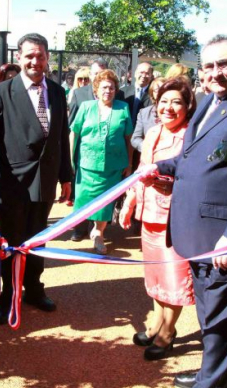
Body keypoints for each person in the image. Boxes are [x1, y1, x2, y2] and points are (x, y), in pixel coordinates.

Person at [137, 34, 227, 388]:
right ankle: (214, 378)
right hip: (197, 237)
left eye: (223, 64)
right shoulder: (209, 101)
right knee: (211, 317)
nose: (215, 73)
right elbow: (193, 157)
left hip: (226, 242)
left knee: (223, 321)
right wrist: (160, 166)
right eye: (209, 66)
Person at [0, 33, 72, 325]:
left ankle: (34, 289)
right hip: (10, 183)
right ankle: (8, 295)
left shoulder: (58, 93)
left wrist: (66, 176)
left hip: (44, 181)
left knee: (37, 240)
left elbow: (61, 138)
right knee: (9, 242)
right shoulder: (1, 92)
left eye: (41, 56)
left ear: (47, 58)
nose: (36, 61)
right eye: (30, 56)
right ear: (19, 58)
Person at [119, 78, 196, 360]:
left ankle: (168, 332)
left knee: (174, 275)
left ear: (188, 106)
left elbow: (189, 176)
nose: (169, 107)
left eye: (177, 101)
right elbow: (141, 172)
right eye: (164, 101)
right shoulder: (152, 133)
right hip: (149, 215)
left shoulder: (191, 136)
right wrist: (130, 203)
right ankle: (156, 323)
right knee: (154, 273)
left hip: (176, 218)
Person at [71, 69, 132, 255]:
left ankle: (99, 233)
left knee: (105, 203)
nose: (108, 91)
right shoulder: (86, 107)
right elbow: (74, 133)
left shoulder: (123, 108)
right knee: (83, 199)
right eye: (104, 87)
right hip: (87, 165)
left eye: (112, 88)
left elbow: (128, 137)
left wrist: (129, 164)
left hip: (113, 166)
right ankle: (82, 227)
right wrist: (71, 160)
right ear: (96, 89)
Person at [122, 62, 154, 172]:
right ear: (135, 74)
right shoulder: (122, 93)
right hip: (123, 140)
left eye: (147, 73)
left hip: (142, 142)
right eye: (141, 72)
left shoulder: (153, 95)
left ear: (151, 76)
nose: (144, 76)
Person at [130, 77, 166, 153]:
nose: (160, 92)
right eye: (157, 90)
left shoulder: (174, 111)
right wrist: (147, 147)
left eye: (164, 89)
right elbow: (135, 138)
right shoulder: (144, 113)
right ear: (152, 93)